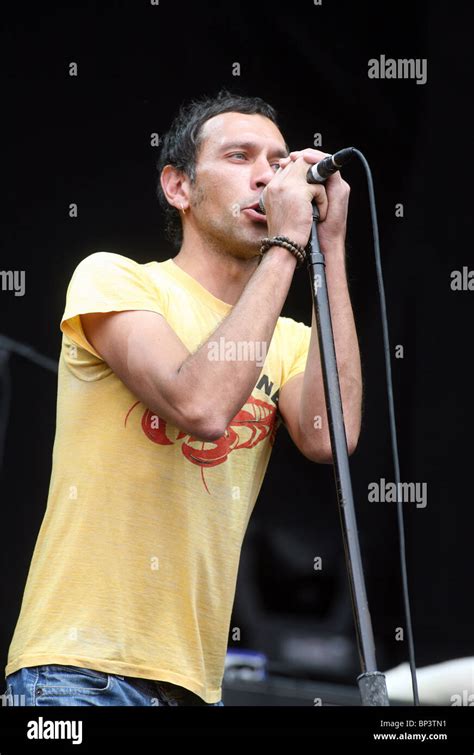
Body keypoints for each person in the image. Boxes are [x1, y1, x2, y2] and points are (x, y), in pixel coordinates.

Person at [3, 89, 362, 706]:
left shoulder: (288, 339)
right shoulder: (114, 278)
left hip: (195, 685)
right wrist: (287, 247)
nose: (266, 175)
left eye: (279, 162)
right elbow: (199, 406)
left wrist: (329, 247)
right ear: (178, 188)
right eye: (239, 156)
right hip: (80, 671)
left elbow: (333, 437)